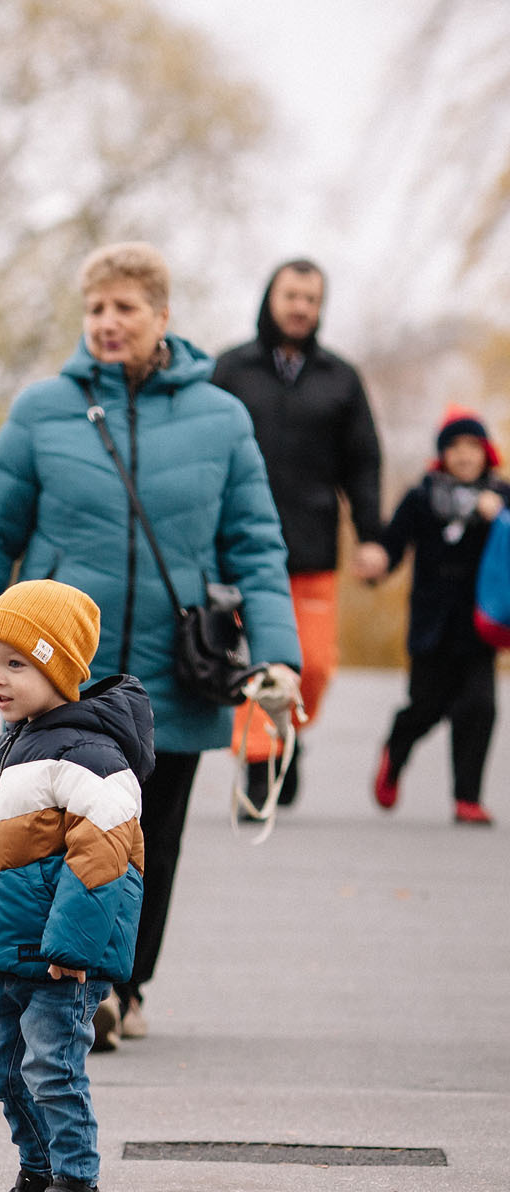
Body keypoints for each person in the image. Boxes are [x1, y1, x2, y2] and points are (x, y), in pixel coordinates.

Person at [0, 242, 300, 1051]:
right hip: (59, 673)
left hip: (176, 672)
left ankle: (124, 985)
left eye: (125, 307)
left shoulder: (221, 419)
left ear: (162, 316)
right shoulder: (41, 411)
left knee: (148, 835)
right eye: (95, 308)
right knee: (55, 830)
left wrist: (279, 657)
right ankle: (75, 985)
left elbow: (257, 547)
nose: (107, 322)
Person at [0, 580, 152, 1192]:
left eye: (17, 663)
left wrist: (74, 948)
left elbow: (103, 860)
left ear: (61, 669)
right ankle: (39, 1174)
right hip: (12, 951)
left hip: (61, 959)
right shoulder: (2, 752)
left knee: (53, 1069)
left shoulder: (91, 756)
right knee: (2, 1066)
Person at [212, 260, 385, 809]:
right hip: (238, 551)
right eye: (291, 296)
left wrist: (372, 536)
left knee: (312, 664)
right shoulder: (230, 370)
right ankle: (258, 765)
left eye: (311, 299)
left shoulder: (341, 379)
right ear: (271, 298)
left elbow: (363, 464)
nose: (300, 307)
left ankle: (287, 730)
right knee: (252, 662)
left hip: (311, 548)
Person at [356, 409, 505, 825]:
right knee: (427, 705)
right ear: (442, 454)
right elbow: (393, 544)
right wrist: (377, 564)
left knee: (479, 707)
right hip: (431, 625)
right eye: (455, 447)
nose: (464, 455)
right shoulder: (422, 497)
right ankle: (396, 749)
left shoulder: (501, 497)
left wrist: (500, 517)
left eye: (473, 446)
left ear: (487, 453)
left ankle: (467, 798)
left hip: (480, 626)